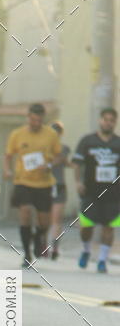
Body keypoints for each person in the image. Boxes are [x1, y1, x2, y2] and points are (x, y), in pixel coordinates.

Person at [4, 103, 62, 268]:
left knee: (44, 222)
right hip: (23, 181)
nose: (36, 123)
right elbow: (8, 155)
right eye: (33, 120)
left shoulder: (51, 134)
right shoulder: (17, 134)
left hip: (44, 182)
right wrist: (7, 171)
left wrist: (49, 166)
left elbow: (58, 156)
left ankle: (39, 237)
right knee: (25, 212)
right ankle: (27, 253)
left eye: (39, 120)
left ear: (43, 119)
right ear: (28, 117)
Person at [74, 107, 120, 273]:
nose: (108, 123)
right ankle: (86, 250)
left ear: (114, 123)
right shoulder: (88, 141)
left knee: (109, 227)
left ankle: (102, 260)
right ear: (100, 121)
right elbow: (77, 163)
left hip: (113, 193)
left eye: (111, 120)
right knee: (87, 227)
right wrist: (78, 182)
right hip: (91, 191)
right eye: (105, 119)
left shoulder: (118, 143)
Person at [47, 121, 72, 259]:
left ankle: (54, 247)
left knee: (56, 219)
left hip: (57, 185)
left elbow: (61, 160)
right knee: (45, 218)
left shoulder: (63, 148)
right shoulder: (43, 148)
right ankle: (45, 245)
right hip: (44, 185)